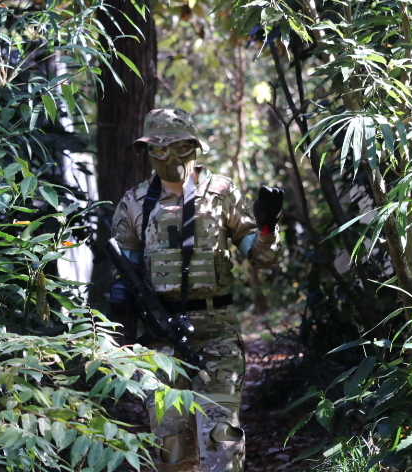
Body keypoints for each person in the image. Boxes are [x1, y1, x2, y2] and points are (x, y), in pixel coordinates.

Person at [109, 108, 284, 471]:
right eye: (159, 149)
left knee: (222, 441)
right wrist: (121, 298)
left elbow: (261, 258)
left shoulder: (221, 192)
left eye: (179, 148)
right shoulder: (134, 202)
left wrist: (267, 227)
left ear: (193, 147)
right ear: (147, 151)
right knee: (173, 450)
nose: (169, 158)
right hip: (160, 344)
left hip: (215, 334)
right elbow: (125, 272)